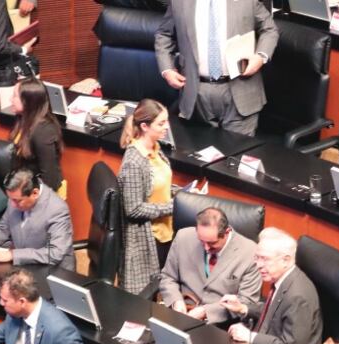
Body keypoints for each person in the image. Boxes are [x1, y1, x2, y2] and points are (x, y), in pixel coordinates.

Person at [154, 0, 278, 136]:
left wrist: (261, 56)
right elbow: (164, 34)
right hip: (195, 93)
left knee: (238, 148)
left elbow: (269, 29)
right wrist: (167, 69)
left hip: (241, 88)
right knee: (200, 147)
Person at [222, 228, 323, 344]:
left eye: (265, 259)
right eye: (257, 257)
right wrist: (243, 308)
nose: (258, 265)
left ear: (285, 260)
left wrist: (250, 337)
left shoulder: (298, 296)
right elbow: (274, 311)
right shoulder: (283, 279)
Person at [159, 206, 261, 325]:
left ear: (227, 232)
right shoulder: (183, 237)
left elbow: (246, 301)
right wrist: (176, 301)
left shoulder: (250, 253)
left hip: (220, 323)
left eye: (212, 243)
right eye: (202, 241)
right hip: (182, 313)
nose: (206, 248)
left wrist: (206, 312)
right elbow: (168, 277)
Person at [118, 99, 174, 292]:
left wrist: (181, 194)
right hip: (147, 237)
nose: (167, 127)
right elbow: (133, 209)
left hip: (164, 231)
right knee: (146, 295)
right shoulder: (134, 162)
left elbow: (158, 183)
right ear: (144, 126)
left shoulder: (155, 149)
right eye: (161, 123)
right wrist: (172, 207)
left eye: (166, 121)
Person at [0, 169, 73, 270]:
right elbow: (3, 227)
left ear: (35, 193)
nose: (12, 205)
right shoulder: (15, 196)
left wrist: (13, 255)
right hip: (24, 267)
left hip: (53, 270)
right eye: (10, 199)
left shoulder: (57, 209)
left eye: (17, 201)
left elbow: (54, 253)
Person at [9, 78, 64, 193]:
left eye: (14, 96)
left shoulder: (44, 131)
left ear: (27, 101)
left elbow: (51, 180)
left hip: (41, 195)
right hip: (24, 188)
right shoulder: (23, 120)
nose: (10, 99)